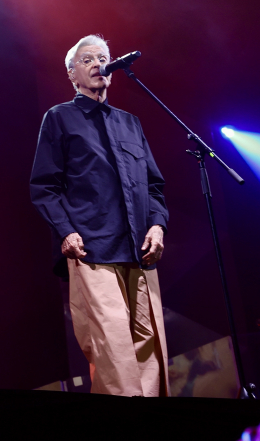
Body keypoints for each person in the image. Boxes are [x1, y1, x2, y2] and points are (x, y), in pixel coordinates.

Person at [29, 33, 170, 396]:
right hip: (92, 247)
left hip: (138, 248)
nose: (98, 64)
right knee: (113, 344)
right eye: (88, 59)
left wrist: (157, 225)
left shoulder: (130, 123)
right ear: (72, 74)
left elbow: (154, 185)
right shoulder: (59, 118)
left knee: (148, 343)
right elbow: (44, 185)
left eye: (103, 58)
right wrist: (65, 230)